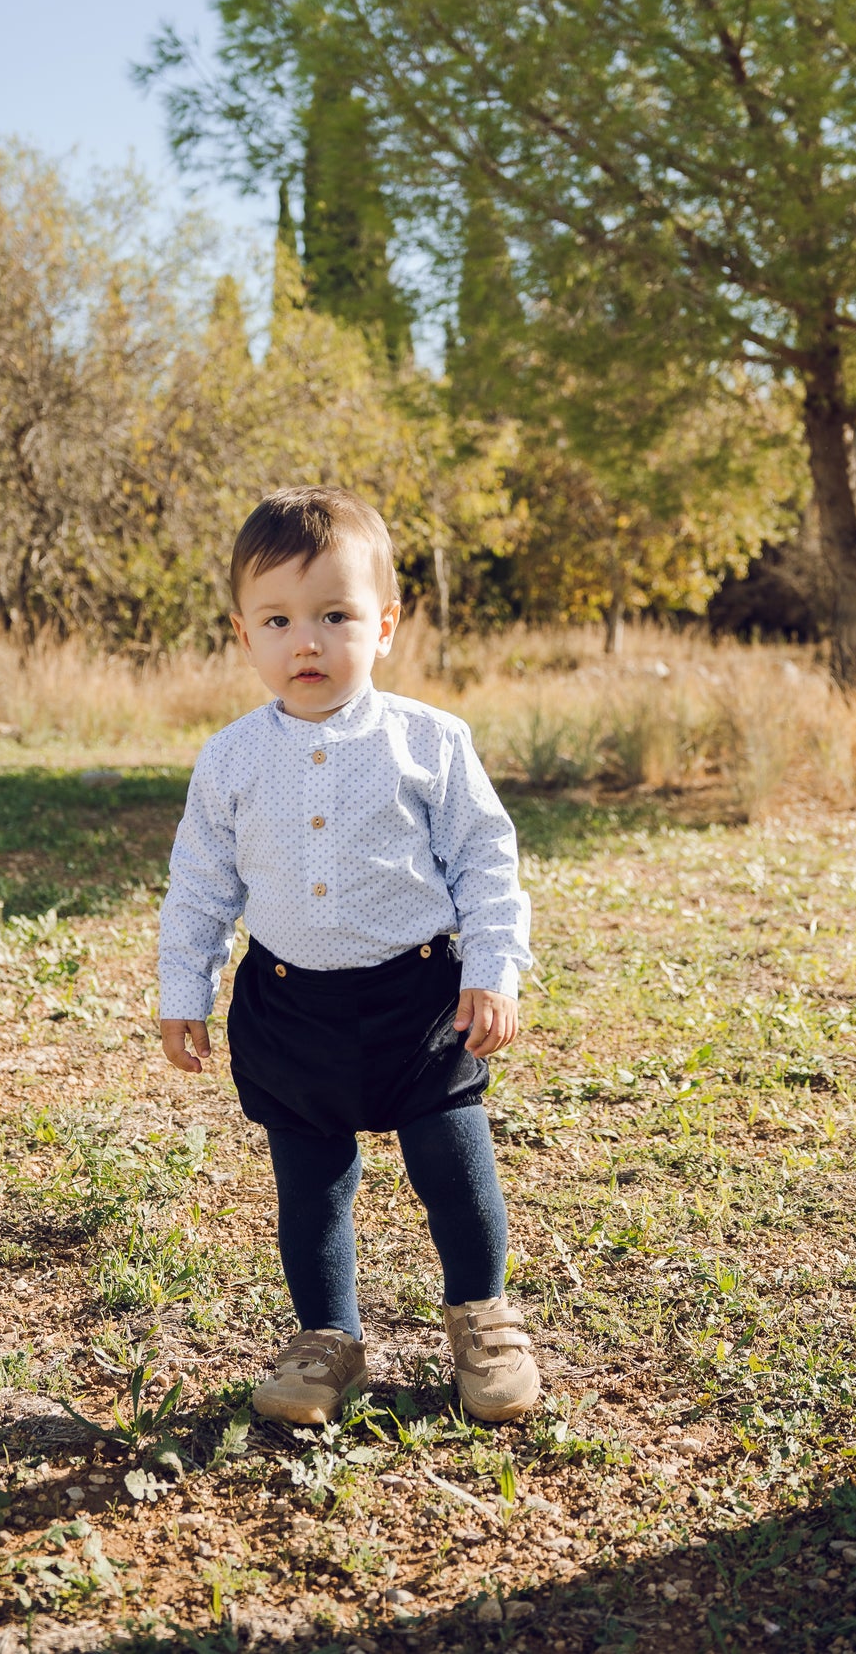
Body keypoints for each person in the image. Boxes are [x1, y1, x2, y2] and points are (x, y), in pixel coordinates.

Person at [158, 485, 539, 1428]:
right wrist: (182, 989)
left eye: (335, 615)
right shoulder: (230, 758)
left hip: (421, 1000)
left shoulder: (428, 740)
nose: (308, 642)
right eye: (278, 620)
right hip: (289, 1007)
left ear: (385, 626)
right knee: (310, 1184)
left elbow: (485, 860)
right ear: (243, 634)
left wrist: (491, 968)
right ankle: (327, 1338)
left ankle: (483, 1319)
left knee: (453, 1166)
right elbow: (200, 885)